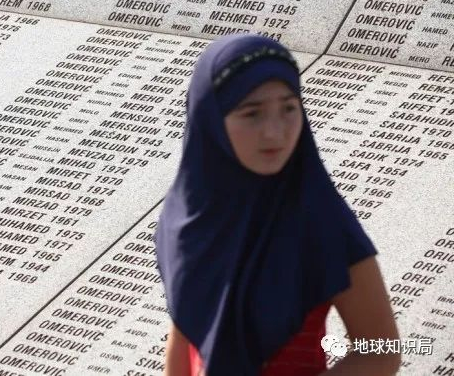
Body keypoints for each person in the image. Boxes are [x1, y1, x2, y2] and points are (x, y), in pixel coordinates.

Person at [153, 34, 401, 376]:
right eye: (252, 113)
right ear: (210, 119)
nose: (275, 132)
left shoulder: (321, 222)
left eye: (288, 108)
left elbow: (381, 351)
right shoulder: (186, 219)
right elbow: (185, 331)